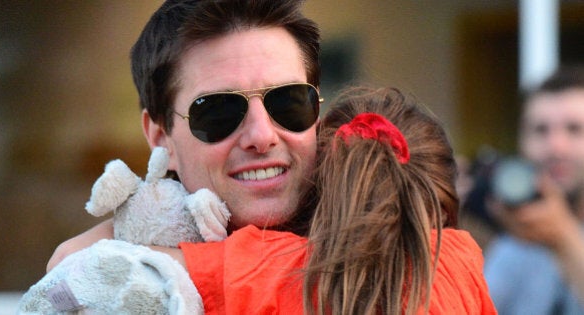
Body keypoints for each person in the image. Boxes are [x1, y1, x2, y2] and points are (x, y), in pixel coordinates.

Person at [47, 0, 322, 270]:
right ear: (160, 139)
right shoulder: (105, 281)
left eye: (288, 101)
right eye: (218, 111)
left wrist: (178, 264)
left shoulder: (364, 224)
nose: (262, 136)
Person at [171, 86, 494, 313]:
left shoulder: (263, 267)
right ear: (442, 197)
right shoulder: (458, 262)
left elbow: (129, 257)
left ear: (319, 186)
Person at [484, 65, 584, 314]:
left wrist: (563, 237)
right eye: (541, 130)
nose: (556, 147)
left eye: (574, 129)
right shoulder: (510, 247)